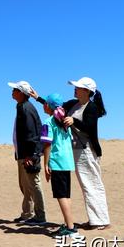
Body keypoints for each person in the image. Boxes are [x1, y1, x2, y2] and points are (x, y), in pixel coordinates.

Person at [31, 77, 110, 230]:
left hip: (86, 151)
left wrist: (75, 121)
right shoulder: (73, 104)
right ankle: (96, 219)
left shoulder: (91, 107)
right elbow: (56, 109)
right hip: (75, 151)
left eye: (78, 87)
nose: (75, 89)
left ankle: (100, 221)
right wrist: (38, 98)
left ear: (86, 91)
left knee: (91, 184)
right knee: (86, 185)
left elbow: (90, 128)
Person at [38, 92, 80, 238]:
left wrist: (46, 164)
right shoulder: (64, 122)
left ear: (48, 106)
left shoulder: (48, 122)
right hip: (67, 162)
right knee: (66, 195)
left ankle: (71, 228)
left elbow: (47, 144)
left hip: (57, 162)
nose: (43, 105)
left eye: (45, 103)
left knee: (61, 195)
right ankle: (69, 225)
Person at [8, 81, 46, 225]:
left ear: (22, 93)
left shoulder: (26, 108)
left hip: (29, 154)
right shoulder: (22, 107)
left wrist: (32, 155)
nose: (12, 91)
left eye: (15, 89)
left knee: (33, 184)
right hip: (23, 154)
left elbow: (32, 134)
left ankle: (40, 216)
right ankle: (27, 213)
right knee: (25, 185)